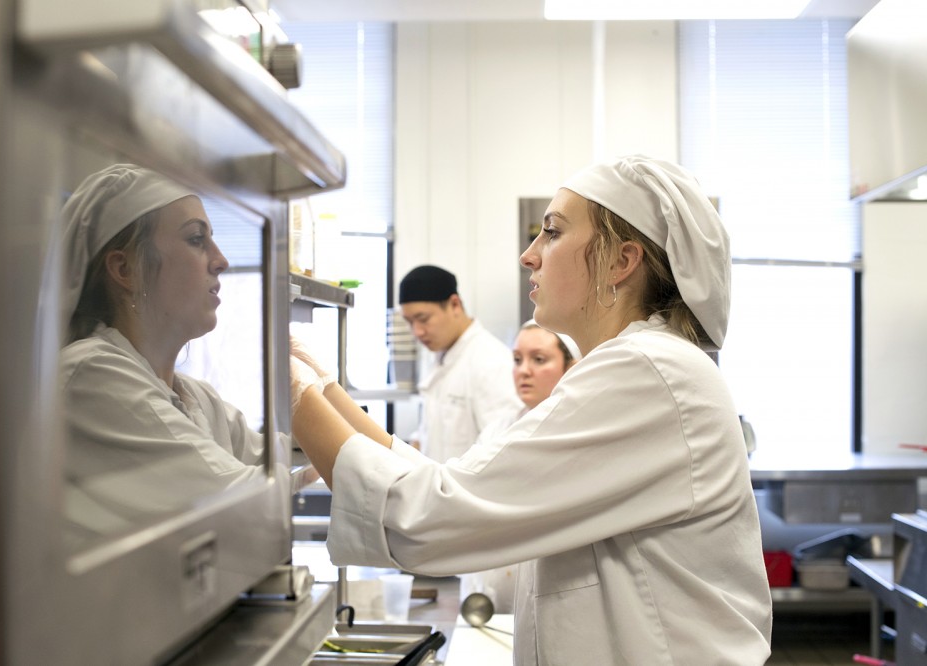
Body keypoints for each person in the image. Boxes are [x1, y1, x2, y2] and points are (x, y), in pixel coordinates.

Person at [290, 154, 772, 664]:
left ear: (620, 261)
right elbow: (458, 484)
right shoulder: (637, 367)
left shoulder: (647, 371)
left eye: (553, 232)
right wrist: (325, 387)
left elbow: (436, 517)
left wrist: (295, 396)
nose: (529, 255)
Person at [59, 164, 275, 535]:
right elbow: (251, 503)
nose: (221, 260)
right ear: (126, 269)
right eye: (196, 239)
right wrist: (306, 394)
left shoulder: (196, 397)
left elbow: (282, 456)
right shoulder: (91, 377)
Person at [459, 320, 579, 613]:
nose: (524, 370)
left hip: (552, 591)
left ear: (572, 367)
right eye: (517, 360)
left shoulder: (578, 431)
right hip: (486, 587)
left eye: (539, 359)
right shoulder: (498, 429)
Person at [398, 264, 522, 461]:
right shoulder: (439, 355)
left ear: (455, 305)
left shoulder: (491, 361)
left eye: (423, 319)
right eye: (409, 322)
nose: (417, 332)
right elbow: (427, 434)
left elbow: (504, 450)